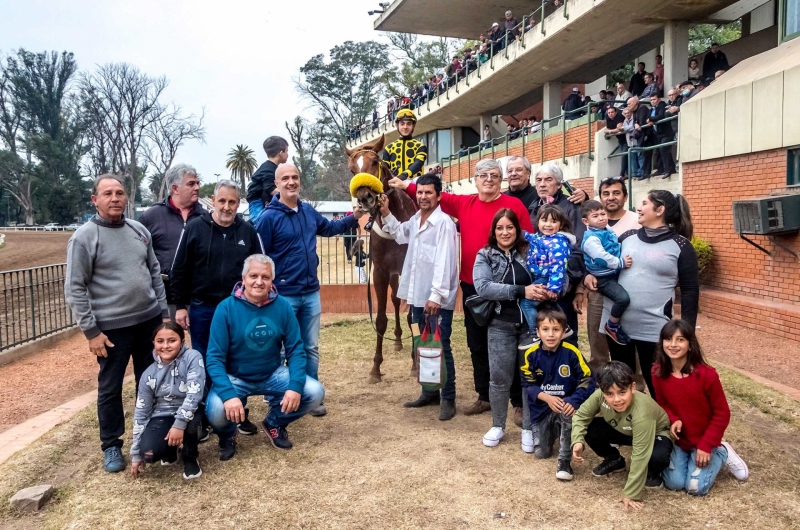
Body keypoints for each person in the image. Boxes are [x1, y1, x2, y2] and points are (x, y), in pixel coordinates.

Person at [390, 159, 533, 418]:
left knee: (507, 344)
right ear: (475, 180)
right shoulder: (465, 203)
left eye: (493, 175)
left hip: (507, 286)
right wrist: (405, 186)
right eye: (483, 175)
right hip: (472, 286)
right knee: (475, 343)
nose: (488, 179)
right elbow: (429, 194)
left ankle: (515, 401)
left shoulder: (514, 206)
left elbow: (529, 242)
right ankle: (482, 396)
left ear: (500, 180)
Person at [65, 174, 169, 473]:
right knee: (110, 387)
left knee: (149, 381)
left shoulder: (138, 230)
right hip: (111, 329)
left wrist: (163, 315)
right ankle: (111, 445)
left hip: (148, 321)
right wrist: (91, 331)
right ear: (94, 199)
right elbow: (75, 288)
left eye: (120, 193)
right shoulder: (84, 238)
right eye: (107, 193)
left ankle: (149, 434)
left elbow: (154, 272)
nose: (115, 198)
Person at [256, 164, 364, 417]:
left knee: (310, 347)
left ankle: (309, 394)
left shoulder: (307, 210)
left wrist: (354, 216)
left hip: (310, 293)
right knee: (280, 348)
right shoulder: (268, 218)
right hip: (282, 296)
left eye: (295, 177)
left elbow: (329, 229)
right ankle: (276, 396)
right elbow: (260, 257)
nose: (291, 182)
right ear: (277, 183)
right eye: (286, 178)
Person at [169, 180, 265, 436]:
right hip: (203, 308)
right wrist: (180, 306)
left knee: (236, 361)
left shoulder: (248, 231)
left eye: (232, 202)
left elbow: (260, 269)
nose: (226, 207)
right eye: (222, 201)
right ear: (213, 200)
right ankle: (204, 417)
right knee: (203, 363)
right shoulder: (194, 228)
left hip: (238, 308)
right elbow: (179, 269)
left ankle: (238, 413)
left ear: (239, 203)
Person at [205, 255, 325, 458]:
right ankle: (228, 435)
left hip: (272, 373)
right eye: (253, 275)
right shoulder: (225, 308)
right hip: (236, 376)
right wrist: (228, 395)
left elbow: (296, 349)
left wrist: (295, 387)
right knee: (216, 411)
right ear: (243, 278)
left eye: (265, 277)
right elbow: (214, 358)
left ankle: (274, 423)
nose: (259, 282)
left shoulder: (283, 306)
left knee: (314, 392)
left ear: (272, 281)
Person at [585, 190, 699, 398]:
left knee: (658, 387)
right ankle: (625, 427)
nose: (638, 207)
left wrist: (687, 331)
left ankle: (662, 427)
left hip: (654, 328)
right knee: (622, 385)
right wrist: (588, 276)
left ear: (660, 210)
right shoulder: (626, 237)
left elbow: (690, 290)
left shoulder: (681, 246)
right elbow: (598, 258)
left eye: (645, 203)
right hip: (616, 328)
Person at [380, 174, 459, 420]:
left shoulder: (444, 223)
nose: (423, 196)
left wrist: (436, 296)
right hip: (416, 299)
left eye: (428, 193)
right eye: (420, 192)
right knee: (421, 345)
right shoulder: (416, 220)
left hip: (435, 301)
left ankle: (448, 397)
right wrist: (384, 211)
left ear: (438, 196)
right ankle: (429, 391)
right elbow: (400, 233)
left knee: (441, 346)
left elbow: (444, 262)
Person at [473, 209, 548, 450]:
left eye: (510, 227)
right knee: (499, 378)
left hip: (530, 326)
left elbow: (550, 273)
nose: (505, 232)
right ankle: (497, 425)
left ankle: (528, 427)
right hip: (500, 325)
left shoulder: (531, 250)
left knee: (529, 377)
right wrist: (520, 291)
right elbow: (484, 287)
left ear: (517, 229)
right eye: (500, 228)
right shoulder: (484, 255)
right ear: (493, 231)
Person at [652, 319, 749, 495]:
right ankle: (690, 457)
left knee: (695, 488)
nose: (673, 345)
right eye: (668, 339)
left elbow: (722, 413)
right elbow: (662, 403)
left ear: (690, 345)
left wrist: (706, 445)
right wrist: (674, 419)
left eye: (680, 340)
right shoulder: (658, 372)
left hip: (705, 439)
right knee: (673, 484)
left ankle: (722, 451)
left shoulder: (707, 375)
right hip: (682, 440)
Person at [571, 361, 673, 510]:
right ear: (602, 391)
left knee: (657, 456)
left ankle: (652, 473)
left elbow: (639, 454)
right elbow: (580, 416)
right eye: (609, 394)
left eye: (622, 392)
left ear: (632, 387)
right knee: (592, 428)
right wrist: (577, 440)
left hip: (654, 432)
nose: (616, 399)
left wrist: (631, 493)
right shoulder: (599, 395)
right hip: (624, 428)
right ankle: (615, 460)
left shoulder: (642, 412)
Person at [520, 306, 594, 481]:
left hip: (565, 405)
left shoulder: (572, 353)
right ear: (538, 332)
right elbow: (527, 384)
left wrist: (574, 401)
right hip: (541, 409)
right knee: (541, 453)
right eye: (545, 329)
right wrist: (546, 397)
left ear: (563, 332)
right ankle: (554, 431)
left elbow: (588, 379)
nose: (551, 335)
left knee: (566, 412)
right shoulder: (530, 354)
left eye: (556, 330)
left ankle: (564, 461)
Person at [574, 177, 639, 372]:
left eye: (616, 193)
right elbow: (583, 253)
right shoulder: (590, 226)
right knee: (597, 339)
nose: (611, 198)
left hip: (628, 286)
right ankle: (599, 381)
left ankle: (635, 384)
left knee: (628, 338)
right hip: (599, 290)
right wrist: (585, 277)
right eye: (606, 194)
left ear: (625, 196)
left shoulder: (636, 220)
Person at [130, 322, 204, 480]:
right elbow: (141, 413)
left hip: (192, 410)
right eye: (160, 341)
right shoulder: (148, 375)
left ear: (182, 342)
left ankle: (190, 457)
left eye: (172, 340)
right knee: (149, 453)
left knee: (190, 425)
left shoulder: (192, 357)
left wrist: (178, 425)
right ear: (153, 343)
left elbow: (194, 394)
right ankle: (170, 451)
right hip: (162, 413)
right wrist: (136, 454)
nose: (166, 346)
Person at [530, 163, 586, 347]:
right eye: (538, 180)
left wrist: (567, 282)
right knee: (541, 337)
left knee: (565, 339)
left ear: (559, 184)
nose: (542, 184)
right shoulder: (533, 207)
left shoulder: (571, 207)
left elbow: (578, 249)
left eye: (548, 180)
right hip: (538, 285)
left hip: (561, 287)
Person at [139, 163, 204, 319]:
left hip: (199, 298)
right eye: (191, 184)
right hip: (164, 296)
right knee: (168, 342)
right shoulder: (151, 216)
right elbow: (138, 255)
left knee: (201, 343)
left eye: (197, 183)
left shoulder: (205, 217)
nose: (197, 187)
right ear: (175, 188)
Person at [519, 205, 575, 348]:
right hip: (541, 276)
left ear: (560, 224)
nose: (548, 225)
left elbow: (558, 267)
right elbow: (530, 237)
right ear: (538, 223)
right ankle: (565, 326)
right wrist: (517, 231)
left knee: (527, 303)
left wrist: (554, 288)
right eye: (544, 220)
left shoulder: (557, 242)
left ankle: (534, 334)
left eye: (553, 221)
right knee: (549, 305)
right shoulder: (541, 238)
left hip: (548, 278)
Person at [580, 199, 632, 345]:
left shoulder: (606, 230)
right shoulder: (591, 238)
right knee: (623, 299)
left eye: (603, 213)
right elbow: (602, 257)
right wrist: (620, 262)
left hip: (613, 273)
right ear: (586, 221)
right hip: (603, 278)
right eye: (595, 216)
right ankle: (612, 325)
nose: (601, 217)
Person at [246, 136, 288, 223]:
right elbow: (270, 188)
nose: (288, 154)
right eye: (287, 151)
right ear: (281, 153)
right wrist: (287, 193)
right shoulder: (269, 168)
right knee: (260, 222)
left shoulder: (272, 167)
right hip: (257, 201)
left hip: (264, 201)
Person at [382, 109, 428, 181]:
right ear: (397, 125)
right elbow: (384, 168)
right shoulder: (388, 148)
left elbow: (418, 163)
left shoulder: (420, 146)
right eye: (402, 123)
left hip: (415, 186)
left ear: (414, 126)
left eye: (409, 124)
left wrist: (404, 174)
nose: (405, 127)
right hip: (394, 186)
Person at [648, 93, 676, 179]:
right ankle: (662, 169)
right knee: (660, 151)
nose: (652, 101)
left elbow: (660, 116)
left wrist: (650, 119)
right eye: (651, 100)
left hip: (666, 132)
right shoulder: (652, 108)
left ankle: (668, 170)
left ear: (659, 99)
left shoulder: (662, 105)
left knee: (664, 150)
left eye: (654, 99)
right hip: (658, 134)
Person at [603, 106, 627, 176]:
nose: (610, 114)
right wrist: (612, 131)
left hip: (626, 139)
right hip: (620, 140)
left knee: (624, 156)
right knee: (624, 156)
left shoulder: (619, 116)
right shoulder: (608, 119)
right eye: (609, 112)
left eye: (612, 112)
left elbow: (619, 129)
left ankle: (622, 174)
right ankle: (626, 173)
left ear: (615, 112)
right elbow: (605, 130)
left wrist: (610, 131)